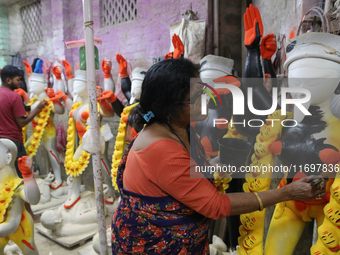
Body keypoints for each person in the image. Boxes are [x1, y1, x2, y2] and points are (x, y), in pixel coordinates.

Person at [111, 58, 326, 254]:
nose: (204, 100)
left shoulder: (179, 126)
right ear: (169, 108)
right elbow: (216, 206)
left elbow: (185, 172)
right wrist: (287, 192)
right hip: (154, 244)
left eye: (202, 90)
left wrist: (214, 164)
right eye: (194, 99)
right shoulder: (161, 148)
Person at [0, 65, 47, 223]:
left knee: (5, 177)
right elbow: (22, 122)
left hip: (1, 144)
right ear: (8, 80)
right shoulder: (14, 97)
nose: (20, 83)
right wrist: (38, 108)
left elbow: (17, 110)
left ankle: (8, 212)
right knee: (24, 177)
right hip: (14, 143)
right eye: (17, 80)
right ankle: (30, 215)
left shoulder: (5, 95)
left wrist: (30, 107)